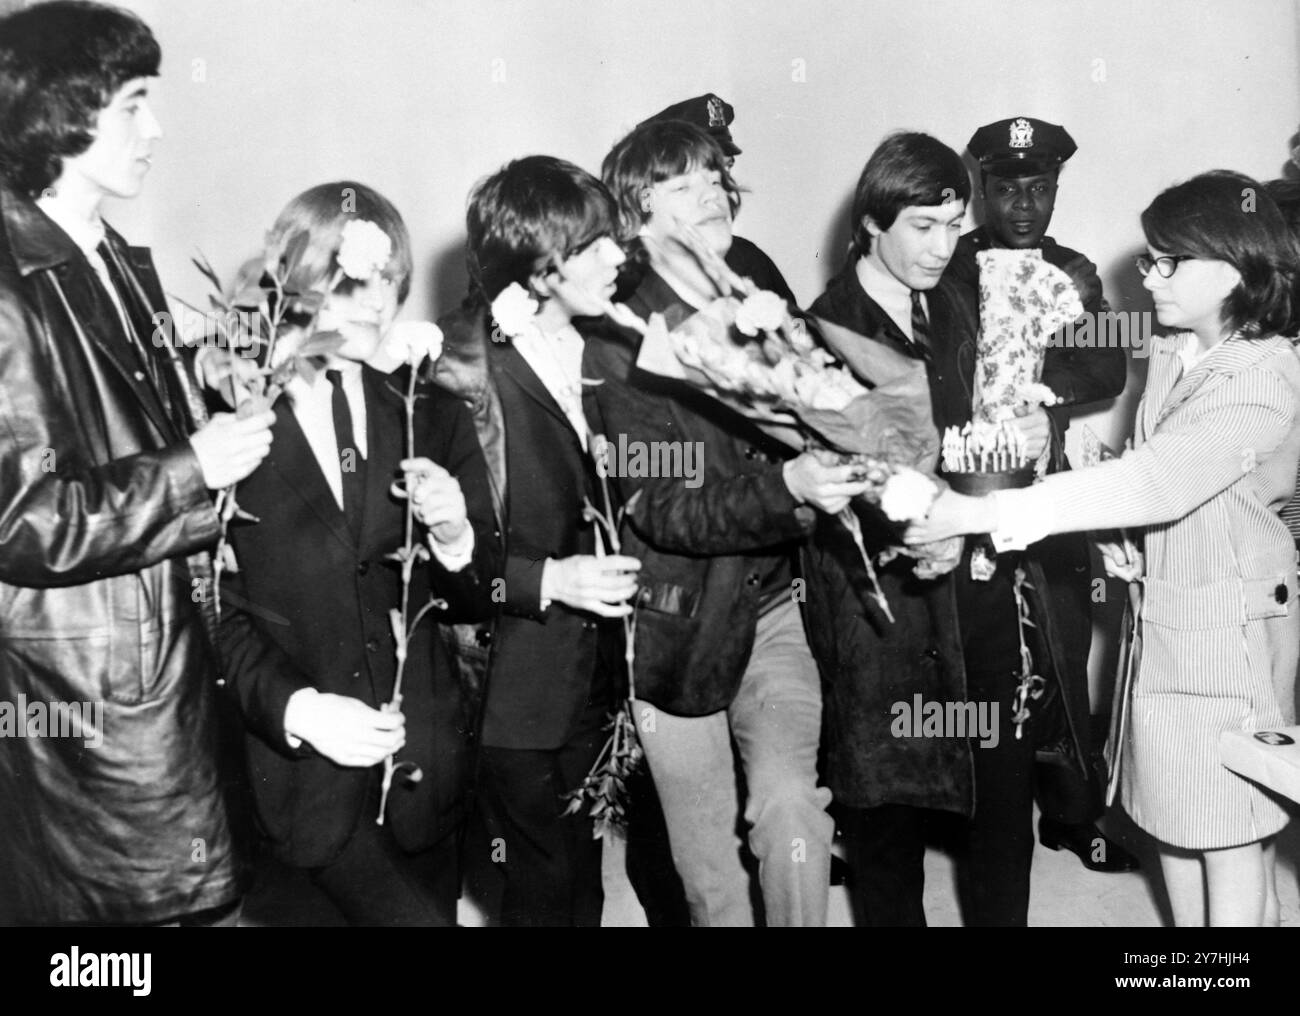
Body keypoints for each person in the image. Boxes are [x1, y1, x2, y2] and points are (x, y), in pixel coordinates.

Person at [910, 170, 1300, 926]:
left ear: (1234, 265)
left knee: (1229, 835)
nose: (1146, 275)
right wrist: (1129, 543)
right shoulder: (1178, 345)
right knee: (1177, 825)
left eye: (1166, 261)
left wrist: (990, 511)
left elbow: (1160, 480)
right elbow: (1155, 479)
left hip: (1229, 634)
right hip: (1165, 621)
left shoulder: (1261, 376)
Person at [0, 0, 276, 925]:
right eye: (133, 103)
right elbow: (24, 519)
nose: (155, 128)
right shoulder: (9, 286)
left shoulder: (109, 254)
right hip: (96, 708)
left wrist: (204, 386)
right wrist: (195, 464)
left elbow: (109, 426)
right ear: (59, 111)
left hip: (164, 677)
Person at [808, 131, 1096, 926]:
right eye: (922, 229)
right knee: (889, 821)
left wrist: (1029, 435)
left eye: (952, 224)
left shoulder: (967, 290)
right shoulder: (827, 327)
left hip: (981, 589)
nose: (944, 248)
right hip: (887, 612)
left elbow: (996, 413)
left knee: (1004, 809)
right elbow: (835, 483)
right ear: (872, 222)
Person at [590, 119, 870, 926]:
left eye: (714, 176)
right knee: (708, 868)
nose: (711, 190)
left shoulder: (755, 299)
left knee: (792, 814)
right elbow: (659, 506)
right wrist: (789, 487)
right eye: (681, 184)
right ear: (634, 218)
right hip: (674, 629)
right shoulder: (615, 338)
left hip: (772, 608)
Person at [215, 182, 498, 926]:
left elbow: (481, 593)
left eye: (389, 282)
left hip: (423, 782)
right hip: (302, 791)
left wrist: (453, 536)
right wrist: (302, 710)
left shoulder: (429, 411)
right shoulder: (232, 426)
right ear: (298, 285)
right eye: (352, 282)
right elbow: (211, 611)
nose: (378, 303)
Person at [435, 156, 639, 926]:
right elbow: (436, 558)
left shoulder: (605, 348)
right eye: (597, 247)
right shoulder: (462, 369)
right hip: (508, 688)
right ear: (541, 265)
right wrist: (553, 581)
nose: (621, 257)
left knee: (576, 888)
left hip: (588, 678)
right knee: (547, 888)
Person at [947, 115, 1137, 873]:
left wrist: (1043, 389)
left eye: (1040, 188)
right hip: (963, 483)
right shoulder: (949, 261)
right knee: (972, 648)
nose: (1024, 205)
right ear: (981, 190)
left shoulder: (1079, 271)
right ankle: (970, 812)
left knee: (1059, 640)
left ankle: (1070, 813)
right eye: (1007, 189)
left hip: (1050, 482)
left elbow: (1109, 371)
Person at [639, 92, 797, 304]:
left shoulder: (748, 260)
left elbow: (798, 331)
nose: (716, 192)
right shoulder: (624, 280)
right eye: (690, 177)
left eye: (725, 169)